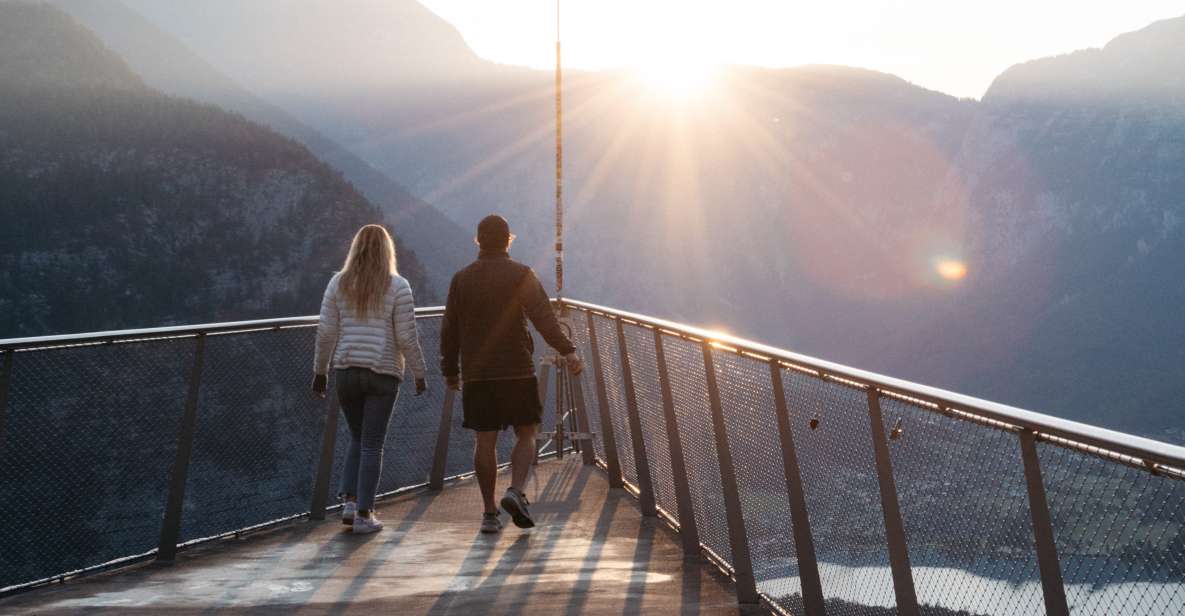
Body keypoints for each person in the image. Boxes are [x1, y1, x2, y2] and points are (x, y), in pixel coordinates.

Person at [441, 215, 582, 534]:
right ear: (509, 240)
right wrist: (568, 350)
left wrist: (450, 369)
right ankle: (515, 491)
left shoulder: (461, 279)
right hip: (517, 368)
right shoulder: (522, 275)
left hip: (477, 372)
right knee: (527, 432)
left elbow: (449, 329)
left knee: (485, 440)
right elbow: (544, 319)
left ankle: (489, 513)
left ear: (478, 240)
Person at [312, 224, 427, 534]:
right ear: (387, 251)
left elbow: (326, 332)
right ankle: (365, 513)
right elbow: (406, 335)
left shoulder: (338, 284)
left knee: (358, 436)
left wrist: (320, 372)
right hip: (382, 372)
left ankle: (349, 502)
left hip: (346, 371)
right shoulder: (398, 286)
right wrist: (419, 372)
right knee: (372, 444)